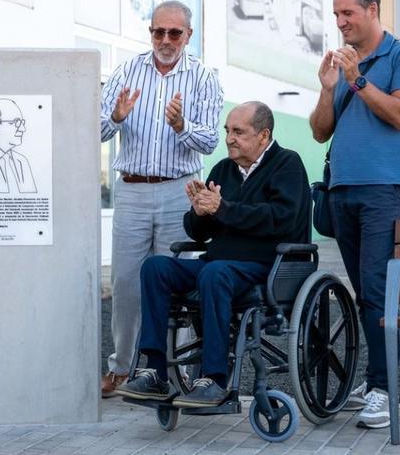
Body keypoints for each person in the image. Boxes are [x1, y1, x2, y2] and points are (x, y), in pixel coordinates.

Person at [114, 102, 310, 407]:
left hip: (266, 267)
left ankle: (215, 379)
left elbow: (280, 219)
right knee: (155, 267)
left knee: (214, 272)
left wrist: (223, 208)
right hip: (218, 266)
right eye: (227, 131)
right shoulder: (223, 169)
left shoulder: (287, 164)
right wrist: (199, 211)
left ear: (263, 135)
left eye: (238, 131)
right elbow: (198, 233)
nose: (229, 138)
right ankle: (154, 371)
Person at [309, 0, 400, 429]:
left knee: (377, 289)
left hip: (384, 191)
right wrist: (328, 87)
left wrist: (357, 79)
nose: (340, 23)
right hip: (343, 191)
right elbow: (321, 131)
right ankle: (375, 379)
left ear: (372, 9)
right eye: (336, 15)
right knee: (364, 293)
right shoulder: (342, 65)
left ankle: (382, 389)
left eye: (348, 14)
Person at [99, 0, 223, 397]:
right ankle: (121, 367)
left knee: (177, 280)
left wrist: (181, 126)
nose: (165, 40)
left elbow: (209, 141)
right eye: (158, 32)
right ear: (150, 31)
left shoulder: (203, 77)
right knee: (125, 281)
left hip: (179, 189)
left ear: (189, 35)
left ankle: (176, 368)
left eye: (174, 33)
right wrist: (116, 118)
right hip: (132, 189)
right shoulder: (127, 70)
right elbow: (95, 130)